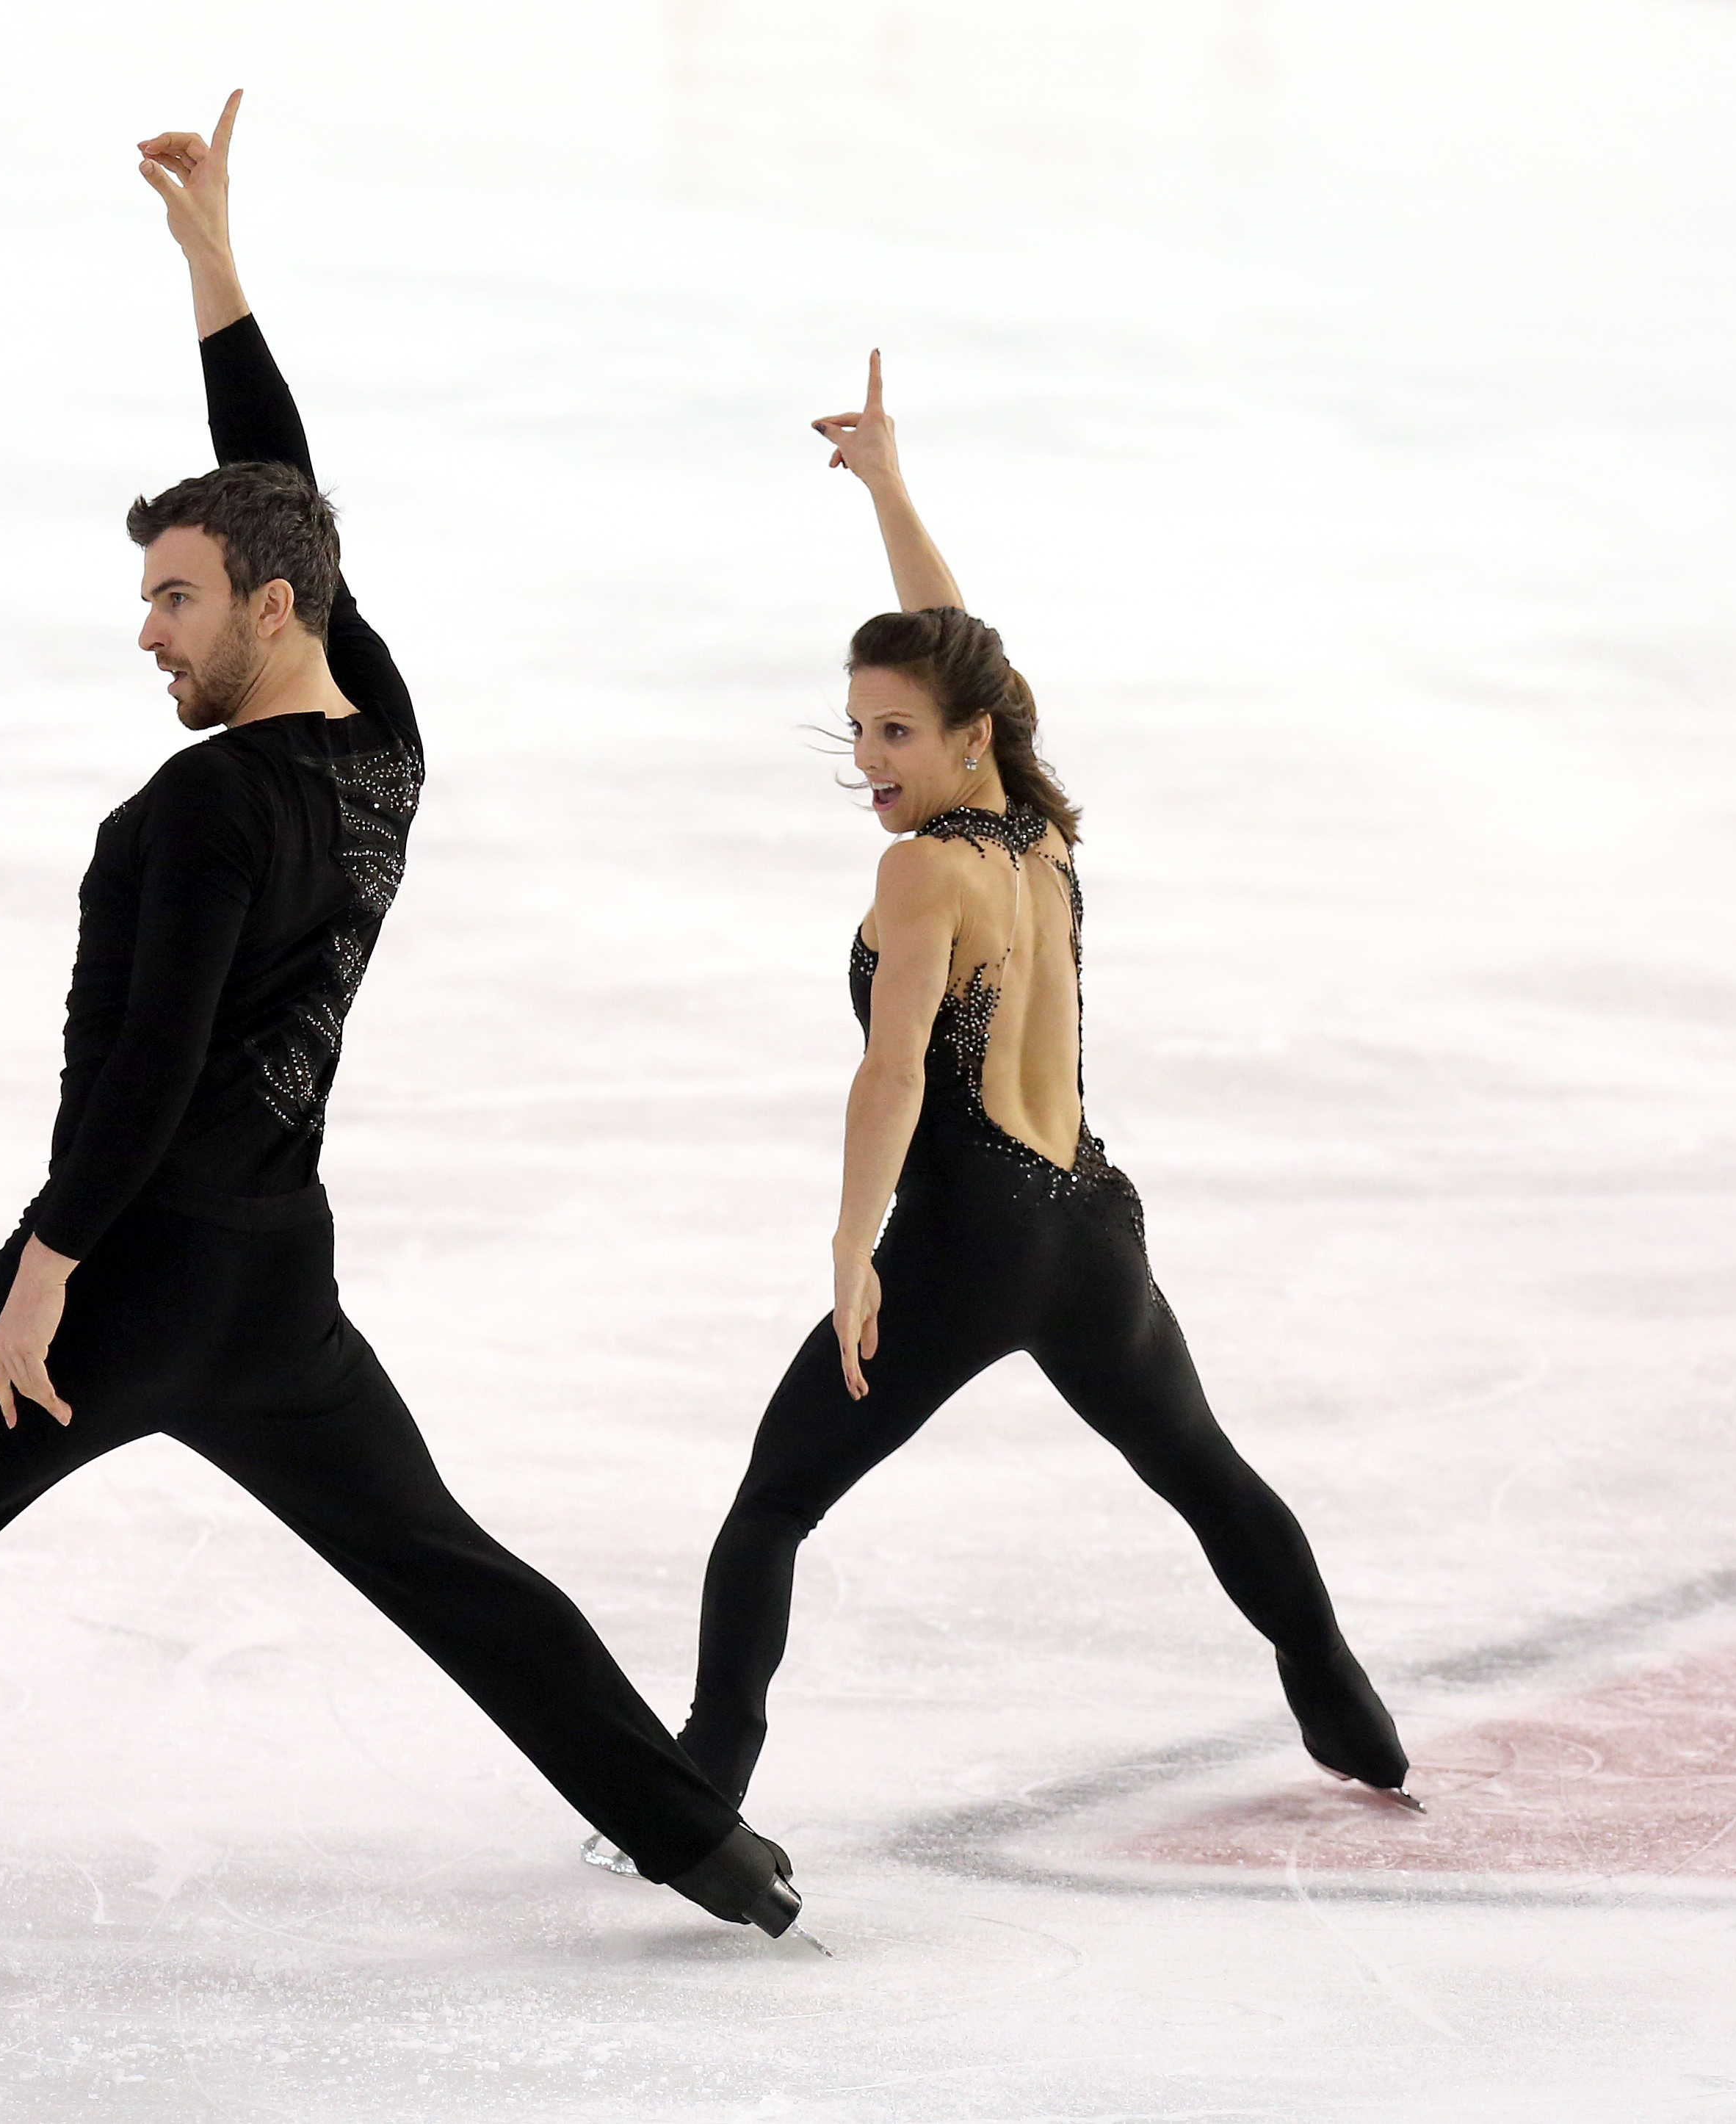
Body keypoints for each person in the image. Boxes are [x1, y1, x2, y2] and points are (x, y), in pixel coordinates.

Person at [0, 93, 803, 2034]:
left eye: (175, 597)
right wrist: (213, 266)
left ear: (266, 609)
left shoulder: (191, 815)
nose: (145, 630)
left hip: (125, 1280)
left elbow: (138, 1072)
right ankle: (711, 1848)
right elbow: (281, 488)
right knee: (445, 1568)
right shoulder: (381, 741)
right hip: (273, 1290)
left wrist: (46, 1270)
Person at [666, 352, 1414, 1824]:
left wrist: (851, 1251)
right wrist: (888, 490)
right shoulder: (1036, 829)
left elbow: (893, 1072)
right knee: (1201, 1470)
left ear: (966, 740)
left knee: (772, 1506)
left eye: (894, 732)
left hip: (965, 1245)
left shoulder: (922, 871)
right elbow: (967, 658)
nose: (867, 758)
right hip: (1088, 1227)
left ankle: (698, 1789)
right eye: (857, 727)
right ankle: (1345, 1705)